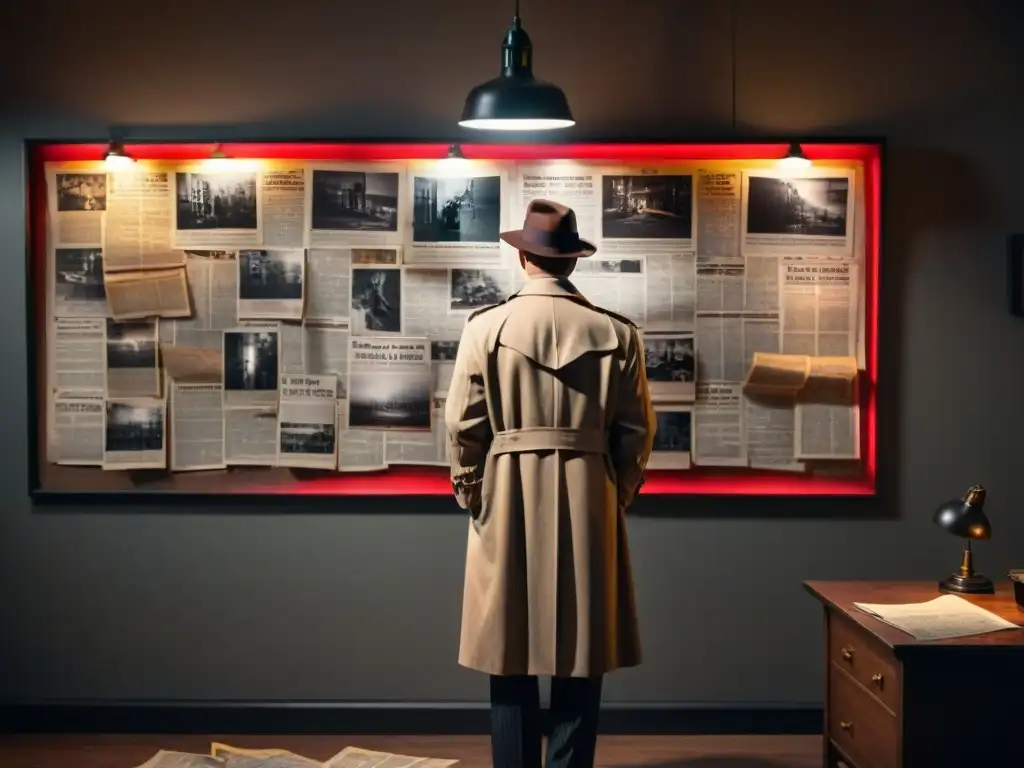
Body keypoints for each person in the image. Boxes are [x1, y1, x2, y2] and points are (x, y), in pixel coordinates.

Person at [445, 199, 656, 768]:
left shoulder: (486, 327)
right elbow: (636, 432)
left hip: (507, 489)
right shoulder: (616, 332)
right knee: (581, 652)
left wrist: (474, 495)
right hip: (590, 491)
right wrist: (617, 491)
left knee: (507, 648)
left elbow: (464, 424)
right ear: (572, 261)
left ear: (522, 254)